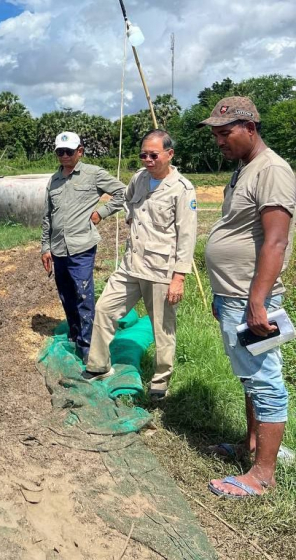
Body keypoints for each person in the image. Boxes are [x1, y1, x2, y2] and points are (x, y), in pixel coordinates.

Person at [199, 97, 296, 499]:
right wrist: (221, 293)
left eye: (226, 133)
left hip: (249, 298)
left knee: (265, 381)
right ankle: (250, 445)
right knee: (250, 379)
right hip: (234, 295)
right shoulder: (244, 170)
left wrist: (257, 301)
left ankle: (263, 475)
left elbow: (276, 241)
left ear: (250, 128)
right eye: (216, 135)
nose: (219, 141)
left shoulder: (272, 170)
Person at [85, 130, 197, 399]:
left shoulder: (182, 189)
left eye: (153, 155)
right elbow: (127, 200)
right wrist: (123, 216)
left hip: (160, 269)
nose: (148, 160)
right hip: (130, 264)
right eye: (143, 155)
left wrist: (179, 277)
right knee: (104, 309)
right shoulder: (139, 178)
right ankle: (98, 366)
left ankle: (160, 381)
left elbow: (187, 236)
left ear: (170, 154)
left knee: (162, 328)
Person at [41, 131, 125, 361]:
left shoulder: (93, 174)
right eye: (60, 152)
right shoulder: (54, 180)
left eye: (68, 152)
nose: (64, 156)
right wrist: (45, 247)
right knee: (66, 294)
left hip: (82, 247)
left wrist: (101, 212)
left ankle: (88, 347)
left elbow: (123, 192)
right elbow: (47, 216)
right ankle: (75, 334)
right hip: (58, 248)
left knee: (83, 295)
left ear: (80, 151)